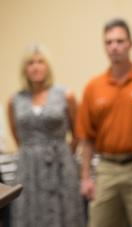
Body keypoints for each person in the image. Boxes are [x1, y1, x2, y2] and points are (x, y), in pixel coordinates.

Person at [77, 18, 132, 227]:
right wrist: (86, 177)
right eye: (109, 42)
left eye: (119, 41)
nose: (114, 47)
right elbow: (87, 137)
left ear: (130, 44)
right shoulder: (93, 86)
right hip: (107, 169)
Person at [8, 44, 84, 227]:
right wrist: (33, 152)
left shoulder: (66, 95)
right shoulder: (14, 100)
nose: (36, 67)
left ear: (47, 66)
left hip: (60, 166)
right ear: (25, 69)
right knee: (28, 215)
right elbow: (18, 136)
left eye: (41, 62)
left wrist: (63, 153)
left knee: (65, 215)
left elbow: (78, 134)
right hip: (28, 169)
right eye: (31, 63)